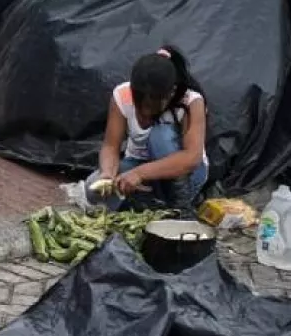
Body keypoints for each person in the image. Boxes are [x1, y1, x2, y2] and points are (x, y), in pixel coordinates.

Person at [86, 46, 210, 212]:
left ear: (171, 93)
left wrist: (140, 174)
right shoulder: (122, 96)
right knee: (92, 189)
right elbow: (110, 146)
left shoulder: (192, 102)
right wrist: (108, 173)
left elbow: (191, 158)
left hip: (185, 177)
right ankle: (153, 203)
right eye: (140, 105)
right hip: (140, 169)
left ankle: (180, 207)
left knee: (160, 136)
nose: (145, 112)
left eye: (152, 106)